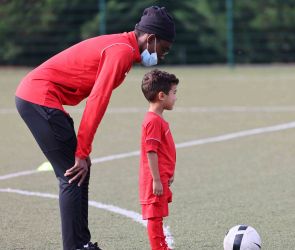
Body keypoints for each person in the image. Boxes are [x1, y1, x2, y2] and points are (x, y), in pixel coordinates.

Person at [14, 6, 175, 250]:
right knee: (71, 174)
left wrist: (82, 152)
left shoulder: (125, 49)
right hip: (38, 97)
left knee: (80, 171)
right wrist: (81, 151)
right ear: (150, 39)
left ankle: (82, 243)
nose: (161, 56)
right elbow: (97, 101)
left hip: (42, 98)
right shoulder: (121, 52)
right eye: (162, 49)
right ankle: (76, 246)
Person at [139, 69, 179, 250]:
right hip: (154, 179)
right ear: (161, 95)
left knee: (158, 215)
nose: (176, 97)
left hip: (161, 176)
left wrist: (168, 173)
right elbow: (151, 151)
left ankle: (161, 245)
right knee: (154, 216)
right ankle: (158, 248)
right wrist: (156, 179)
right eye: (174, 93)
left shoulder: (158, 119)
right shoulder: (153, 121)